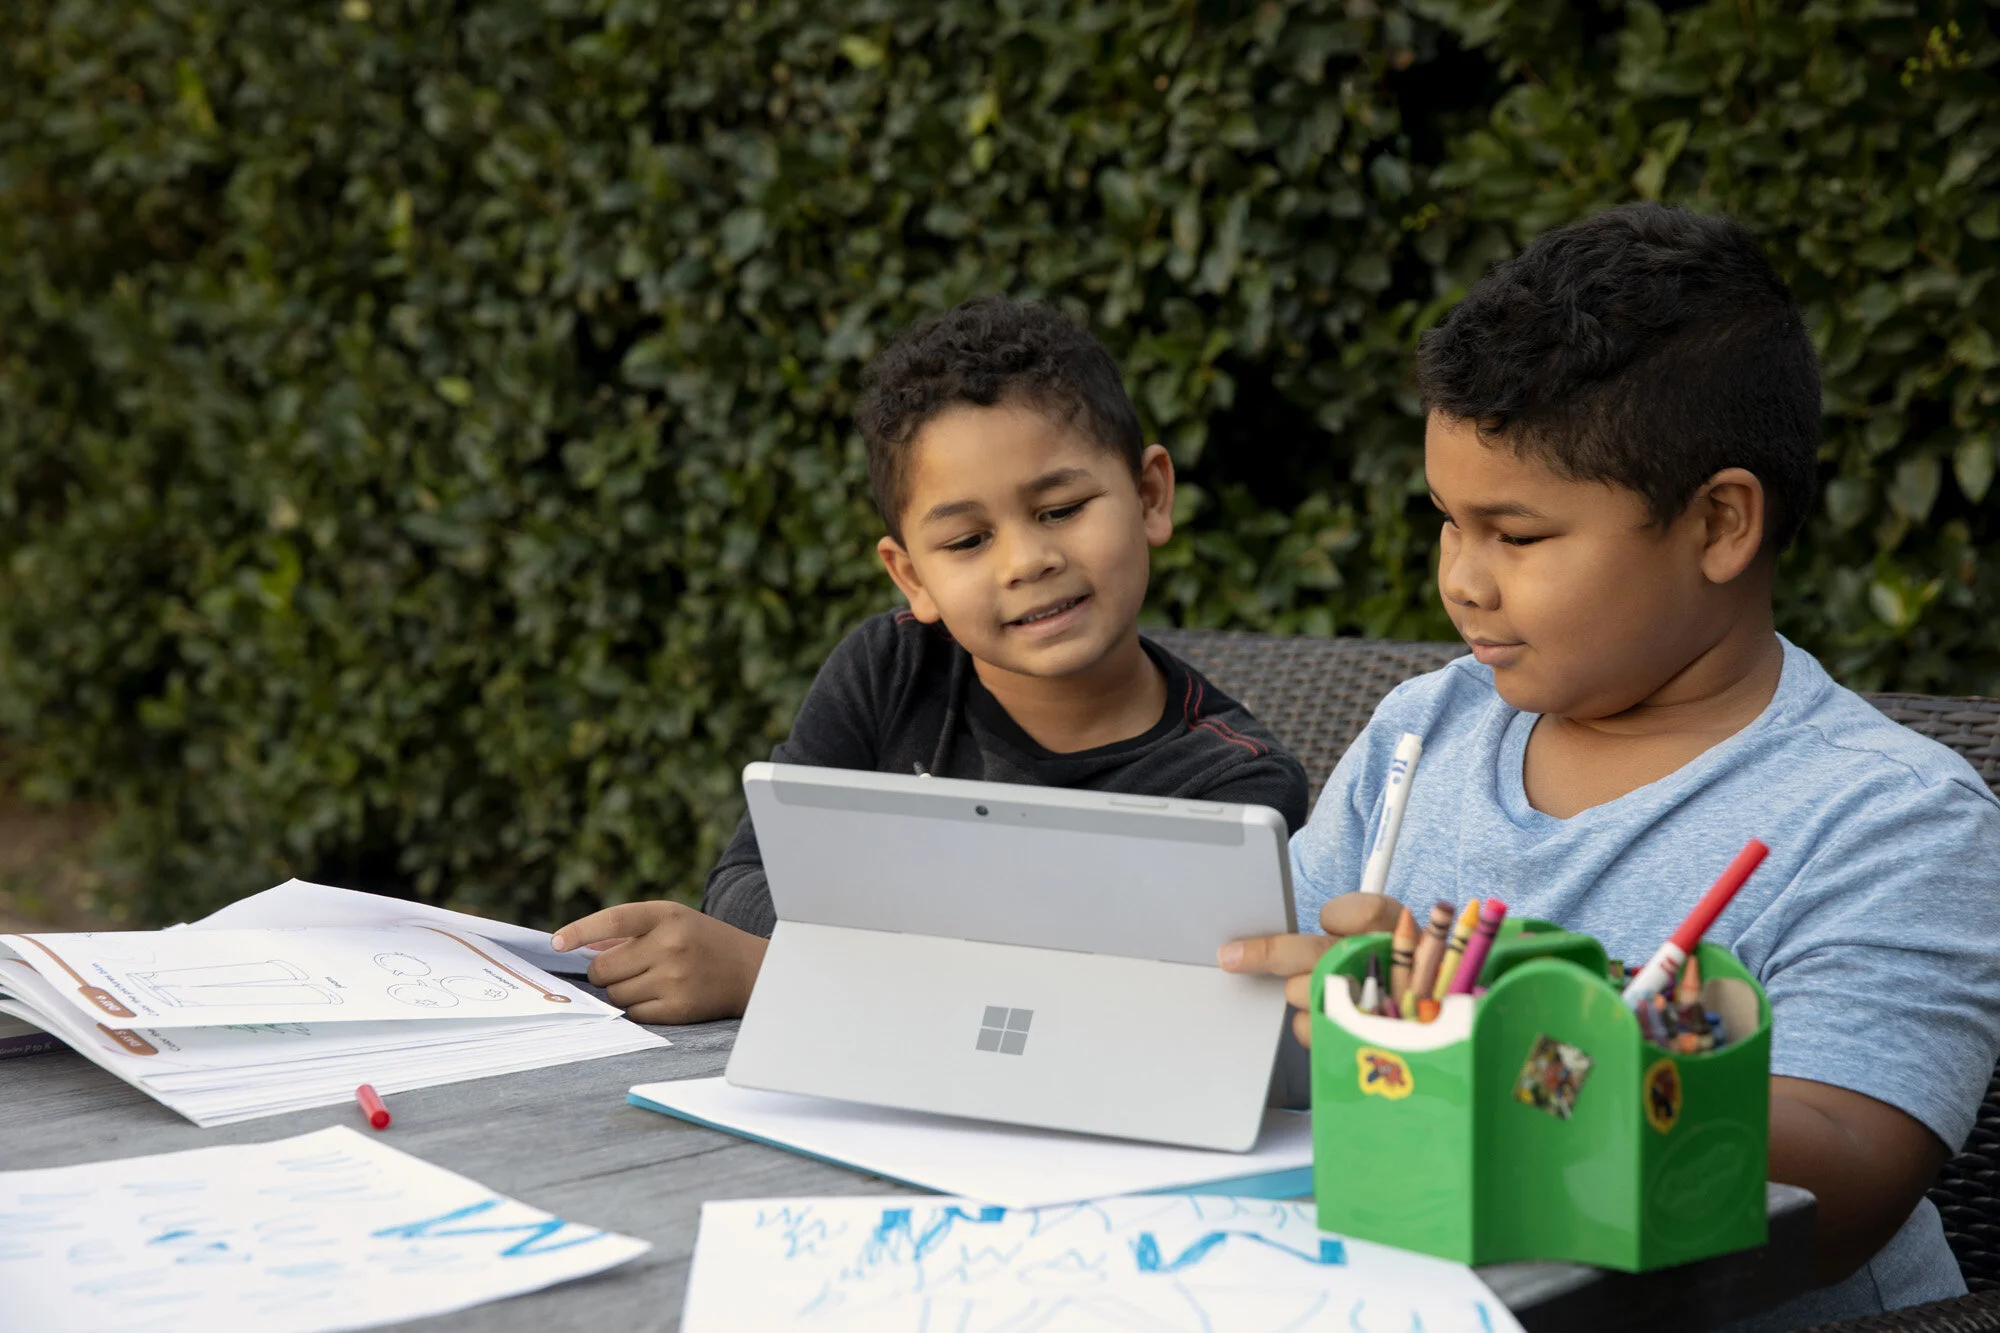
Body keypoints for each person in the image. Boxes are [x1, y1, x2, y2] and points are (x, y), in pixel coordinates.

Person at [1218, 203, 2000, 1326]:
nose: (1462, 580)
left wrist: (1523, 1041)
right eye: (1447, 521)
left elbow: (1847, 1181)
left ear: (1719, 524)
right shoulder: (1420, 734)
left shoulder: (1892, 818)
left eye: (1517, 534)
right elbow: (1277, 1032)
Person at [553, 297, 1309, 1024]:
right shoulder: (890, 669)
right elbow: (748, 882)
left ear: (1149, 497)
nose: (1027, 560)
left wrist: (774, 974)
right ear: (912, 576)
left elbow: (1124, 1005)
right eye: (968, 540)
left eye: (1060, 510)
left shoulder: (1234, 789)